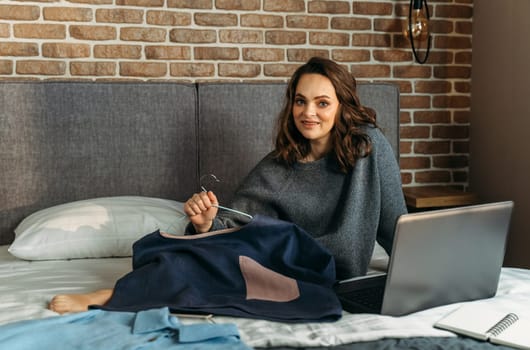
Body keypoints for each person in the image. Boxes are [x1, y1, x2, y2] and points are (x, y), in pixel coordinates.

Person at [48, 57, 407, 314]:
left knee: (230, 269)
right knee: (207, 256)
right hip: (285, 262)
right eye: (300, 101)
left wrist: (420, 277)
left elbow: (396, 224)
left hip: (332, 272)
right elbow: (232, 228)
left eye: (322, 103)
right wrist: (205, 224)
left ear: (342, 106)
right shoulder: (277, 166)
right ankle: (117, 294)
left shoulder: (368, 148)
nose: (308, 113)